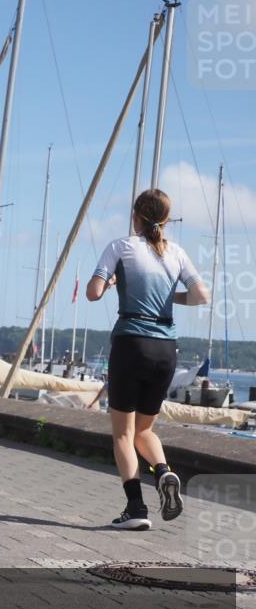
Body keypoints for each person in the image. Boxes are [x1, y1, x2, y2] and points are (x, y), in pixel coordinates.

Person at [87, 188, 210, 531]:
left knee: (124, 435)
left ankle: (136, 509)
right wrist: (170, 296)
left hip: (131, 345)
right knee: (145, 430)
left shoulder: (120, 247)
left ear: (136, 216)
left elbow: (92, 293)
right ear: (166, 219)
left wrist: (110, 281)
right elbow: (202, 295)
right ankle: (164, 472)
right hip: (166, 350)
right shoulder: (177, 253)